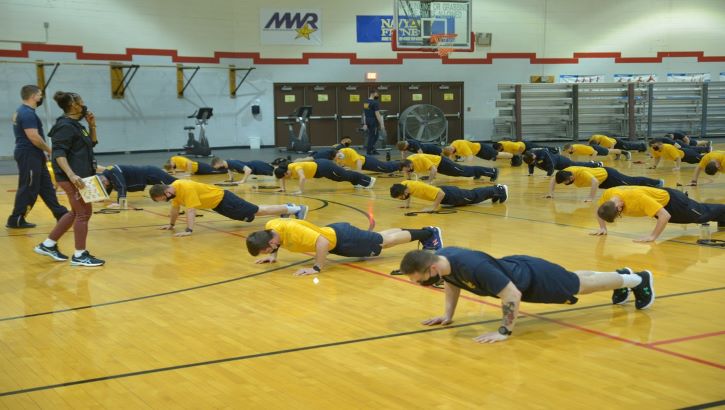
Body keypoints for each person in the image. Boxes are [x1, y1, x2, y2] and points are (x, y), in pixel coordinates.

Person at [399, 247, 654, 343]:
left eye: (420, 280)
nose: (422, 284)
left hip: (533, 280)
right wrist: (447, 314)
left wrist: (504, 331)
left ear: (431, 268)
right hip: (520, 267)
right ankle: (622, 275)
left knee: (581, 285)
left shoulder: (473, 267)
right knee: (577, 278)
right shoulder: (444, 262)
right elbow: (454, 284)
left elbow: (511, 296)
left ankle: (639, 279)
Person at [34, 91, 104, 266]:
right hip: (72, 177)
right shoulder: (64, 126)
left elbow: (92, 143)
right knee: (83, 213)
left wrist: (92, 126)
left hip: (81, 175)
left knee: (75, 212)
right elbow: (58, 154)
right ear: (73, 105)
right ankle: (80, 255)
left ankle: (48, 244)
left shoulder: (76, 125)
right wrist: (72, 175)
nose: (84, 104)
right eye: (81, 101)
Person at [245, 218, 443, 276]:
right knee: (381, 236)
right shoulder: (272, 229)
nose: (269, 251)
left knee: (385, 242)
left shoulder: (293, 230)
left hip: (344, 239)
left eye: (267, 250)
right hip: (336, 235)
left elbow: (321, 243)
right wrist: (273, 256)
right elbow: (275, 241)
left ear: (270, 243)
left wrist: (316, 268)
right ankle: (426, 233)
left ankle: (429, 233)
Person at [148, 180, 308, 236]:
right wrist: (171, 225)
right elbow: (174, 210)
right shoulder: (174, 193)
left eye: (162, 198)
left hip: (225, 199)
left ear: (165, 191)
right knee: (254, 213)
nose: (164, 201)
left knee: (256, 211)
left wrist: (189, 231)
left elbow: (191, 210)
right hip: (218, 205)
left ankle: (295, 209)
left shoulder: (184, 187)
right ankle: (286, 209)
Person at [7, 85, 68, 228]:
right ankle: (16, 219)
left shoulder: (22, 111)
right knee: (29, 187)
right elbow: (33, 137)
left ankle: (60, 213)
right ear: (33, 96)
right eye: (40, 95)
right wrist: (49, 150)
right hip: (28, 154)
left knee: (46, 185)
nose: (41, 97)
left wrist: (42, 153)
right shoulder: (27, 113)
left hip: (34, 154)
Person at [593, 186, 725, 242]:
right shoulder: (608, 195)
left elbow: (665, 216)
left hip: (673, 202)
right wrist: (602, 227)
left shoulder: (636, 198)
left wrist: (652, 236)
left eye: (619, 213)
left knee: (701, 216)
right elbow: (600, 210)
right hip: (659, 204)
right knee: (699, 218)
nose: (621, 213)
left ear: (619, 205)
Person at [549, 166, 663, 202]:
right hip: (604, 182)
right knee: (627, 189)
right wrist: (551, 193)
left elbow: (595, 182)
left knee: (631, 182)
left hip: (609, 176)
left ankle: (657, 183)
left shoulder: (582, 173)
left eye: (566, 181)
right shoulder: (565, 172)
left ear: (571, 177)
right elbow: (553, 179)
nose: (565, 183)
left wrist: (590, 198)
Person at [390, 180, 508, 212]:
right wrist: (406, 205)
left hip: (449, 194)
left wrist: (433, 207)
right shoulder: (405, 185)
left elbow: (441, 194)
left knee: (473, 196)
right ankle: (494, 193)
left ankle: (499, 189)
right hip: (447, 194)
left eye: (400, 197)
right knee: (472, 195)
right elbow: (407, 196)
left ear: (404, 192)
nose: (401, 199)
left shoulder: (417, 187)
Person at [274, 159, 375, 194]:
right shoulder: (284, 171)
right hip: (319, 171)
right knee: (339, 178)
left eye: (286, 176)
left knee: (344, 174)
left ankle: (369, 180)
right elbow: (281, 178)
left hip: (323, 166)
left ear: (286, 172)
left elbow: (303, 177)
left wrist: (300, 190)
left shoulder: (295, 167)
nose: (286, 178)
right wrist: (282, 188)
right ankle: (357, 182)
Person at [99, 164, 177, 206]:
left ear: (104, 182)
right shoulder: (106, 175)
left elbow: (121, 186)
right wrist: (103, 197)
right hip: (146, 177)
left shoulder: (112, 171)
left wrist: (120, 203)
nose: (106, 187)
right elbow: (110, 185)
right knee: (173, 186)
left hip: (151, 173)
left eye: (104, 186)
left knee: (175, 183)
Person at [401, 153, 498, 182]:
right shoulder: (407, 162)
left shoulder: (420, 159)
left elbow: (433, 170)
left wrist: (429, 182)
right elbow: (407, 172)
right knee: (463, 172)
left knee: (464, 171)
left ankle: (492, 171)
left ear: (410, 165)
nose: (408, 171)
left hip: (443, 163)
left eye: (408, 169)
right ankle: (478, 173)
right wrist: (408, 179)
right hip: (441, 167)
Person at [523, 148, 602, 177]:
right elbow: (531, 164)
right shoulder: (529, 156)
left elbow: (551, 164)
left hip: (562, 162)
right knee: (578, 168)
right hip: (558, 166)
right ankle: (595, 164)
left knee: (579, 165)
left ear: (533, 155)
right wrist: (531, 173)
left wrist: (548, 175)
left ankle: (596, 164)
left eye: (533, 160)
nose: (534, 162)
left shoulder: (543, 152)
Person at [335, 146, 401, 173]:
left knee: (385, 168)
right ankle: (396, 162)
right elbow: (340, 167)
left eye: (339, 152)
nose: (338, 155)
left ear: (341, 150)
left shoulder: (348, 150)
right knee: (383, 166)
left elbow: (359, 161)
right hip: (363, 166)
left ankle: (401, 165)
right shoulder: (336, 157)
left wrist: (358, 172)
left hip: (367, 161)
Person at [210, 157, 274, 184]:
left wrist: (243, 180)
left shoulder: (232, 163)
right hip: (256, 169)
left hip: (258, 166)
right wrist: (231, 178)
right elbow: (229, 169)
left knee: (276, 173)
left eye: (216, 166)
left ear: (218, 163)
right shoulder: (226, 164)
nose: (216, 168)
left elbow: (248, 170)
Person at [442, 139, 513, 162]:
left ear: (451, 150)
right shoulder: (451, 147)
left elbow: (470, 157)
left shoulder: (461, 145)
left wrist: (465, 166)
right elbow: (451, 157)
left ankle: (514, 156)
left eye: (451, 153)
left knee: (497, 154)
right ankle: (509, 157)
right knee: (492, 158)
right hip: (478, 153)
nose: (451, 154)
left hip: (482, 148)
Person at [362, 91, 385, 155]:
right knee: (373, 136)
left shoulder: (366, 101)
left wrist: (365, 123)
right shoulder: (375, 103)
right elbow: (377, 114)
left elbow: (365, 113)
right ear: (372, 94)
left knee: (374, 135)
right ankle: (369, 151)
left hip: (367, 119)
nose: (377, 95)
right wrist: (382, 124)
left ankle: (372, 149)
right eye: (377, 94)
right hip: (373, 121)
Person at [563, 143, 630, 160]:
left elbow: (595, 152)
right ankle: (618, 153)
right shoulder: (571, 149)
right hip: (592, 148)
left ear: (570, 148)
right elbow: (568, 154)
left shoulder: (579, 148)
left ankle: (625, 152)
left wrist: (591, 161)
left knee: (609, 151)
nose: (566, 152)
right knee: (610, 151)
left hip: (595, 149)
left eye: (567, 150)